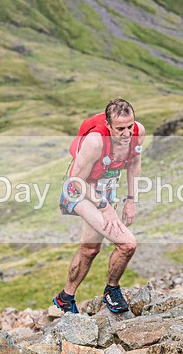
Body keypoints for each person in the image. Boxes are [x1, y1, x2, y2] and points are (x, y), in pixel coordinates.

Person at [54, 99, 146, 314]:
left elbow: (134, 163)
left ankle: (65, 298)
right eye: (120, 129)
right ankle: (111, 290)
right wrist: (105, 207)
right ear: (108, 125)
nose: (126, 134)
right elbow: (75, 180)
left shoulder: (137, 132)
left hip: (105, 190)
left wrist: (131, 200)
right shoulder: (96, 141)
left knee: (90, 249)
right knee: (127, 244)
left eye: (129, 127)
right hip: (79, 190)